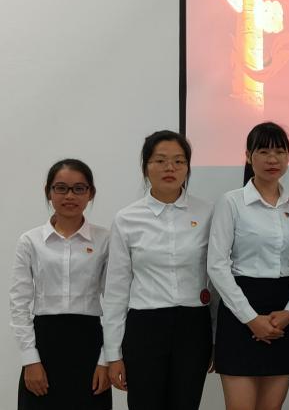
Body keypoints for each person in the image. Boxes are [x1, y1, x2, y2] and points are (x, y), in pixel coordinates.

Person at [102, 131, 213, 410]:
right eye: (160, 160)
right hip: (145, 327)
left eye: (179, 161)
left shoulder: (207, 212)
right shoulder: (127, 218)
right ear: (145, 167)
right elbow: (116, 290)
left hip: (193, 326)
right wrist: (112, 354)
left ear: (187, 167)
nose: (170, 168)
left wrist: (216, 337)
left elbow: (216, 278)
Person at [207, 122, 289, 410]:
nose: (272, 159)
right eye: (263, 151)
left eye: (280, 151)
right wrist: (251, 318)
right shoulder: (231, 202)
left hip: (282, 314)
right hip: (240, 311)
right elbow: (216, 265)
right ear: (249, 156)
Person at [10, 159, 112, 409]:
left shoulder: (105, 239)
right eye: (61, 188)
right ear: (48, 192)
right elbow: (19, 303)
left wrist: (106, 359)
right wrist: (30, 360)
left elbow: (115, 302)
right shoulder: (30, 241)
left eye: (79, 188)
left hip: (89, 343)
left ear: (91, 193)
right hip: (44, 344)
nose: (70, 196)